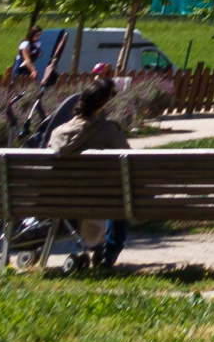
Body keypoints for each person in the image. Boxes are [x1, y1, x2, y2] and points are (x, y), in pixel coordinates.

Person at [21, 78, 132, 269]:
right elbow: (129, 161)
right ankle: (109, 253)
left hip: (58, 201)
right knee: (122, 197)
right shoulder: (108, 131)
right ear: (103, 104)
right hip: (95, 201)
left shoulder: (57, 133)